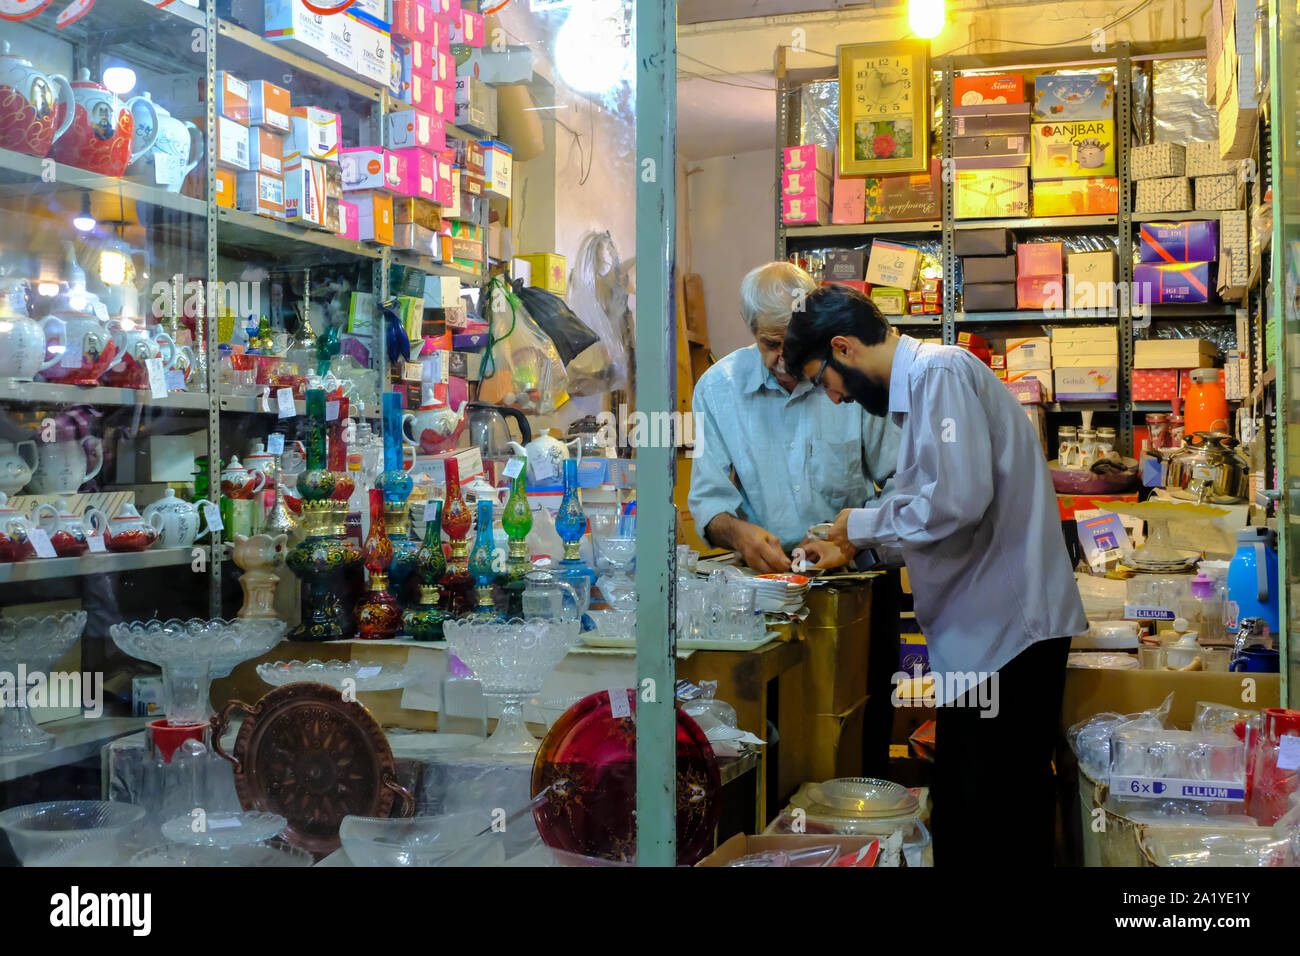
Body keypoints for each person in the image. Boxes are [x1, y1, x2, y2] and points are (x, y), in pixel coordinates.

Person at [783, 284, 1087, 866]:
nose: (837, 398)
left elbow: (956, 500)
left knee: (991, 820)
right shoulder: (925, 389)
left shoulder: (940, 374)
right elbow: (938, 519)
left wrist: (861, 524)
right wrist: (855, 547)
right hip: (988, 640)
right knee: (979, 815)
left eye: (825, 381)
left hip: (1007, 638)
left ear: (842, 347)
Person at [688, 262, 902, 571]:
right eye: (771, 343)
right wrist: (738, 535)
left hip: (856, 572)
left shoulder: (851, 376)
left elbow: (902, 480)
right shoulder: (718, 389)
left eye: (793, 342)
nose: (785, 357)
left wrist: (853, 537)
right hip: (769, 579)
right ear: (752, 331)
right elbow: (709, 502)